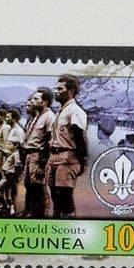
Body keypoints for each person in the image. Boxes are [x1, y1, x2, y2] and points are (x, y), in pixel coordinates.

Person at [47, 75, 89, 218]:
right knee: (55, 196)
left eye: (60, 89)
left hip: (67, 157)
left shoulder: (75, 111)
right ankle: (56, 223)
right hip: (54, 156)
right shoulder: (61, 111)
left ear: (70, 91)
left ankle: (67, 224)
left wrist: (82, 160)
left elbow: (79, 137)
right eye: (55, 88)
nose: (56, 91)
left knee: (64, 196)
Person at [20, 89, 55, 217]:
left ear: (44, 102)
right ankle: (29, 212)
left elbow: (50, 140)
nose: (32, 101)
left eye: (36, 99)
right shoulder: (37, 116)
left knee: (38, 186)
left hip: (39, 155)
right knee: (29, 185)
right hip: (30, 155)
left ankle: (41, 215)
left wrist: (43, 162)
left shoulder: (49, 116)